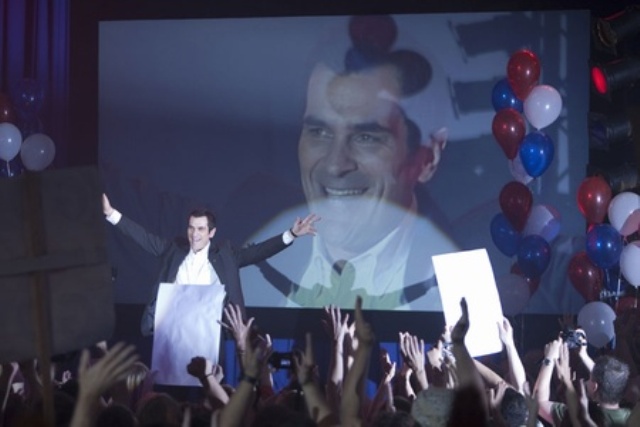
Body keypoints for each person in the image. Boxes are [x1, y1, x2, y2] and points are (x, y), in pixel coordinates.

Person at [243, 16, 459, 311]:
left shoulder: (460, 283)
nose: (335, 165)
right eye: (319, 132)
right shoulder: (245, 238)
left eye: (366, 137)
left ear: (427, 159)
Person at [102, 193, 318, 336]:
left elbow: (257, 252)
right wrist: (111, 213)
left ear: (211, 232)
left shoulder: (225, 255)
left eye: (200, 229)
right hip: (173, 330)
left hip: (211, 333)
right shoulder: (174, 250)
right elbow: (142, 237)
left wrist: (291, 234)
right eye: (191, 228)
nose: (194, 234)